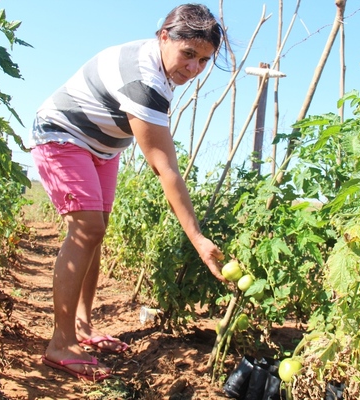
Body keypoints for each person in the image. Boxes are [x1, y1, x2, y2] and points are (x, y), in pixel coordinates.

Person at [29, 4, 228, 381]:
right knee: (86, 229)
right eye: (189, 55)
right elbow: (163, 166)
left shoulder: (163, 69)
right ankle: (60, 343)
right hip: (62, 134)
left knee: (97, 230)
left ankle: (83, 327)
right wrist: (198, 239)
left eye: (204, 60)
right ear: (163, 37)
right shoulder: (145, 80)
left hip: (102, 147)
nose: (194, 68)